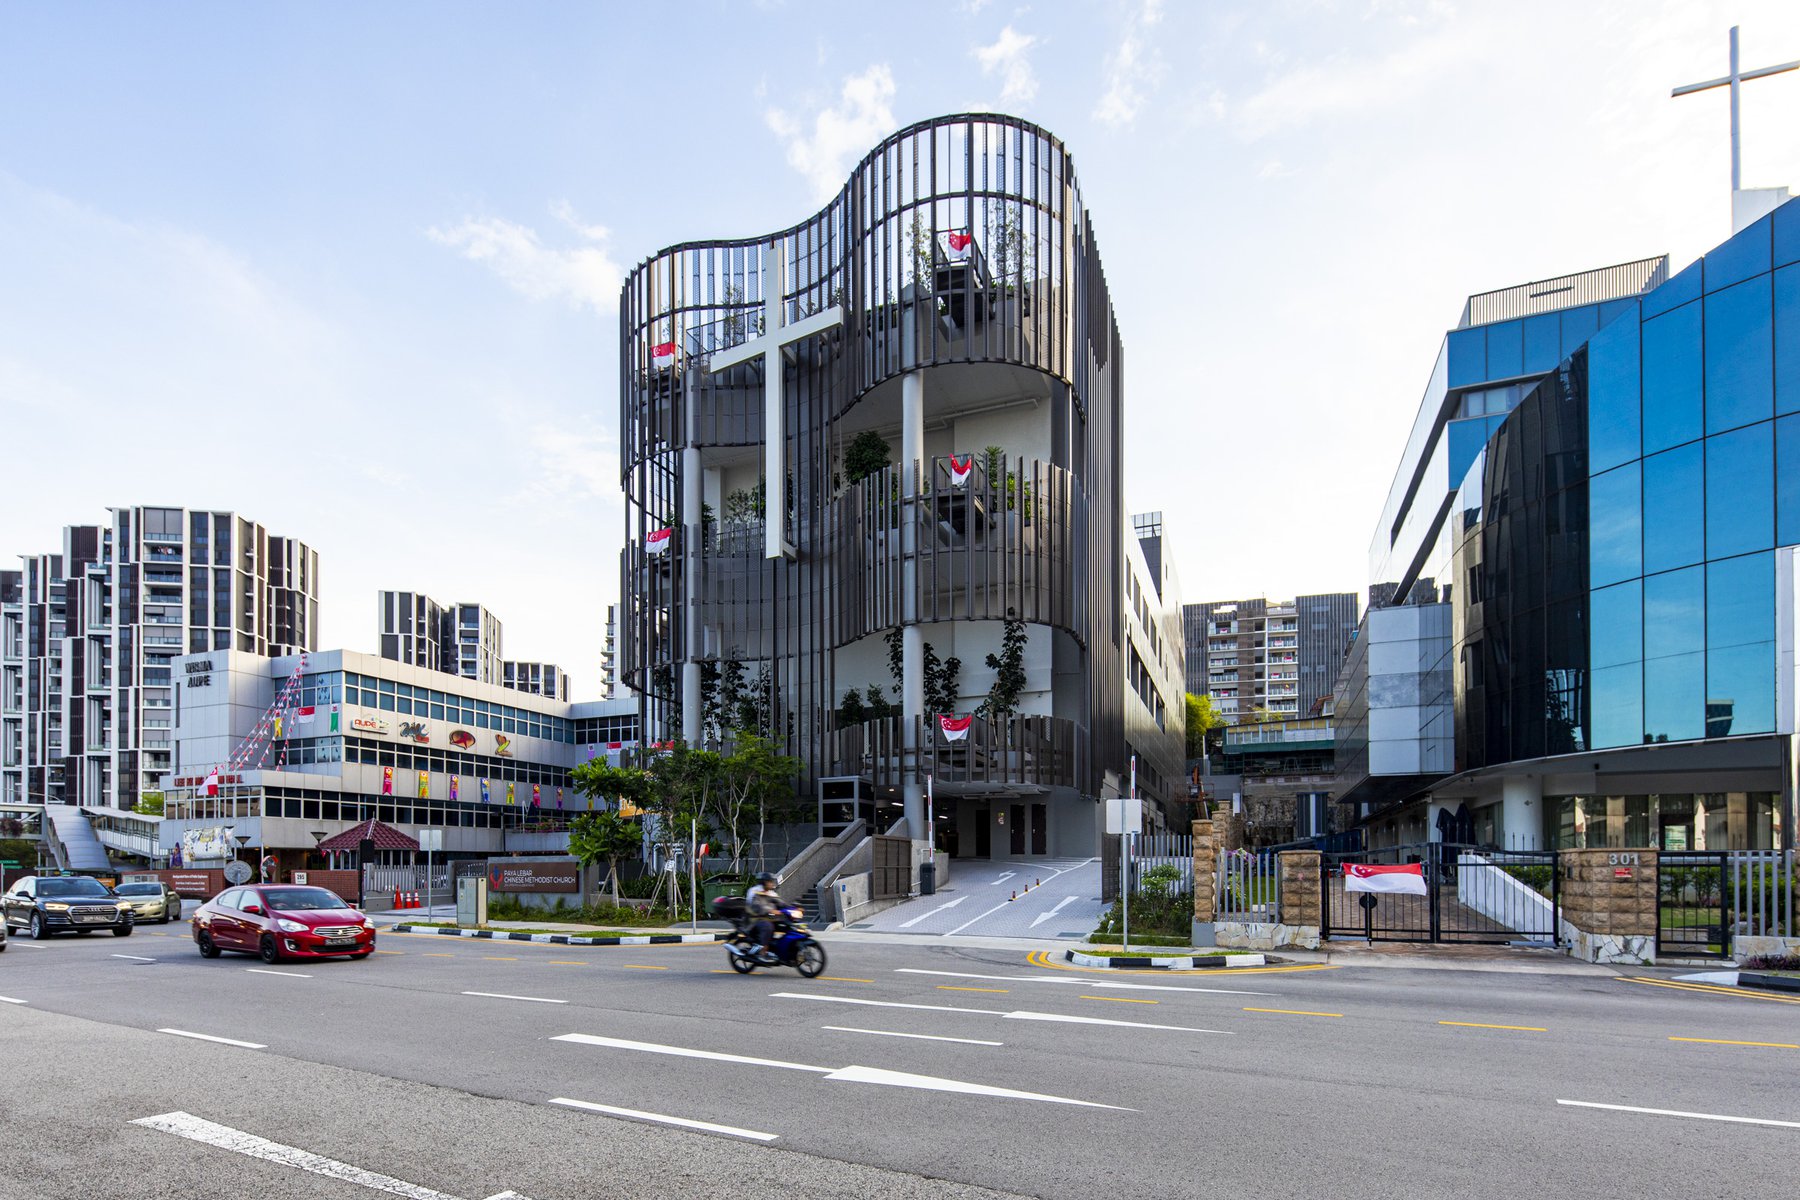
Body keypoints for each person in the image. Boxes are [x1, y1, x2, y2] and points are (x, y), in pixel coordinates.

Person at [745, 871, 784, 964]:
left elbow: (781, 903)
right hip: (754, 919)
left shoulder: (771, 892)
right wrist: (769, 910)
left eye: (771, 881)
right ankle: (763, 952)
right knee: (767, 926)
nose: (772, 883)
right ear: (764, 882)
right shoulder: (755, 891)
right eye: (769, 881)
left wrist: (794, 908)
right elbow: (757, 906)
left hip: (767, 917)